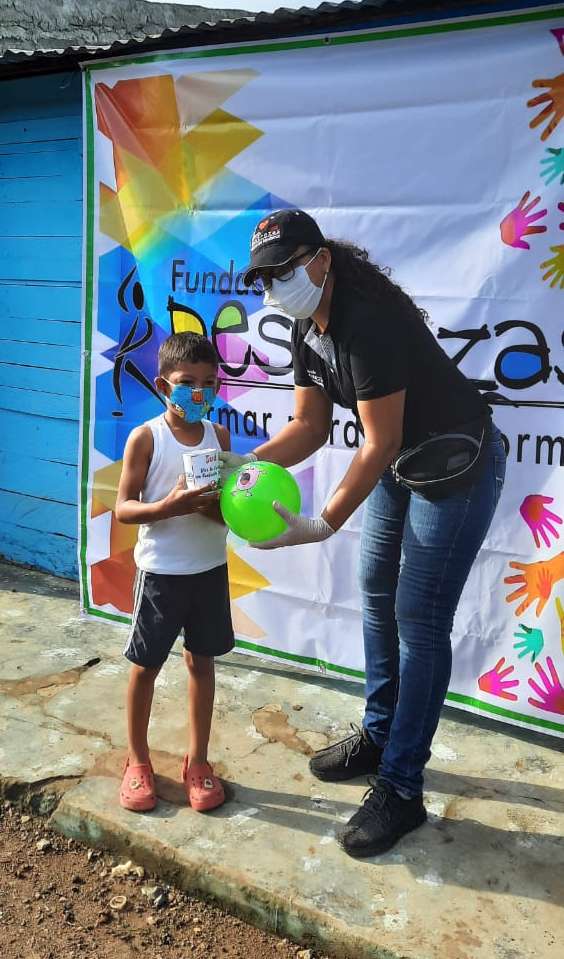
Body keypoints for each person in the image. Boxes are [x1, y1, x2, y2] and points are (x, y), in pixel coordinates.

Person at [219, 208, 506, 858]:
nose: (276, 286)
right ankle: (380, 734)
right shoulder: (308, 326)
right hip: (404, 461)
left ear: (321, 259)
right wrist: (246, 463)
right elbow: (309, 426)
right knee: (374, 587)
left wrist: (323, 522)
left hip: (457, 464)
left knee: (419, 617)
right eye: (266, 277)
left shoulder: (366, 320)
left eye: (286, 269)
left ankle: (402, 786)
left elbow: (380, 440)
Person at [116, 332, 233, 814]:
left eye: (209, 382)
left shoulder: (219, 437)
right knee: (145, 668)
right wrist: (169, 506)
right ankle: (138, 761)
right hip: (161, 575)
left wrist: (215, 510)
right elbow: (124, 508)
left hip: (210, 570)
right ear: (164, 385)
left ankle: (198, 761)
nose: (199, 392)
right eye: (188, 382)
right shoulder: (146, 437)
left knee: (201, 664)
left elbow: (227, 510)